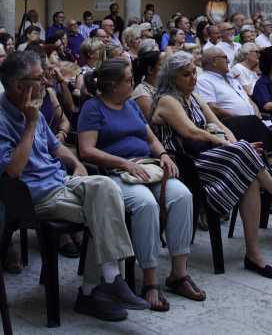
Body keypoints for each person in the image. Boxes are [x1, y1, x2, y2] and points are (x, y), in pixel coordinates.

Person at [0, 50, 146, 321]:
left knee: (107, 188)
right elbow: (12, 172)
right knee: (105, 210)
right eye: (39, 78)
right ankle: (96, 290)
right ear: (17, 84)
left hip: (61, 182)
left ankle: (108, 278)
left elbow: (56, 146)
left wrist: (77, 164)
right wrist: (31, 123)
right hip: (34, 197)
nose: (46, 83)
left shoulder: (33, 107)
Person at [150, 51, 272, 280]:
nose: (193, 78)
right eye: (186, 74)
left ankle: (253, 254)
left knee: (249, 176)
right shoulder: (167, 100)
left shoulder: (193, 96)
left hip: (209, 156)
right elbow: (190, 131)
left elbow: (218, 124)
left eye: (194, 72)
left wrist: (236, 144)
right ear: (172, 78)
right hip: (185, 164)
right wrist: (233, 147)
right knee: (245, 154)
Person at [76, 60, 204, 310]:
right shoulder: (93, 108)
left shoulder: (130, 106)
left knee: (182, 196)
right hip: (114, 174)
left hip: (147, 167)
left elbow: (150, 137)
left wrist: (164, 155)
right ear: (112, 85)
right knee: (145, 205)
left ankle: (178, 274)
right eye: (128, 80)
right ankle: (149, 281)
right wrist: (124, 163)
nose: (132, 83)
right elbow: (87, 150)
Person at [195, 47, 258, 118]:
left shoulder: (231, 77)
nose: (228, 61)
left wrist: (256, 111)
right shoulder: (203, 80)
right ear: (214, 61)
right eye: (225, 57)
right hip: (233, 124)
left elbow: (247, 98)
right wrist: (242, 119)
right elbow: (212, 108)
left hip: (254, 120)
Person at [130, 47, 161, 119]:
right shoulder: (142, 93)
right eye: (161, 64)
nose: (166, 67)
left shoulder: (160, 86)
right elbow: (153, 122)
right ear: (150, 70)